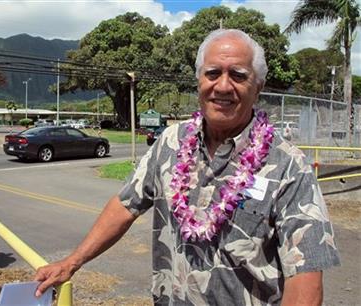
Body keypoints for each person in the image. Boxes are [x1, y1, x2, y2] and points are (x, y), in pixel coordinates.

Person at [34, 29, 340, 305]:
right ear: (199, 82)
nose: (223, 86)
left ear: (257, 87)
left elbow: (306, 277)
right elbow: (125, 205)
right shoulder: (170, 142)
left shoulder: (289, 165)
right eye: (212, 73)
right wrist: (72, 262)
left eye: (238, 75)